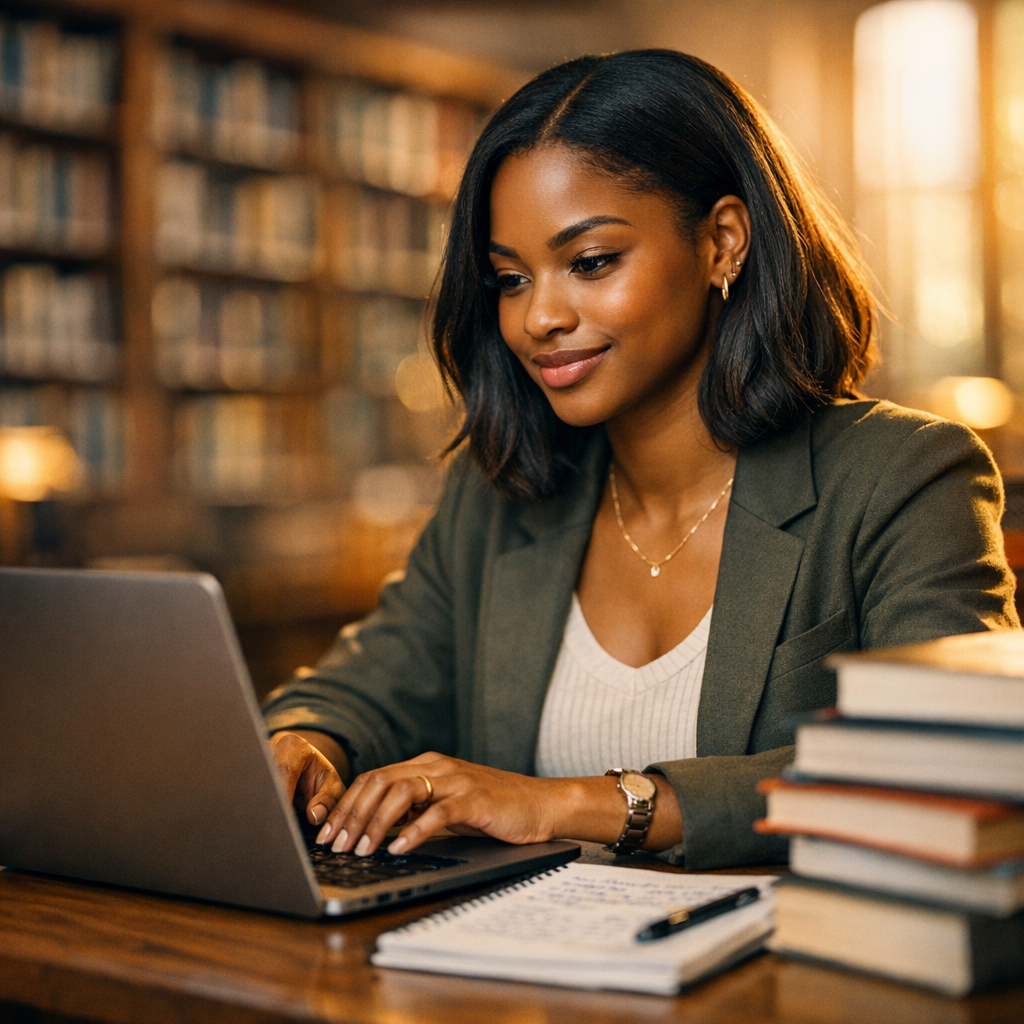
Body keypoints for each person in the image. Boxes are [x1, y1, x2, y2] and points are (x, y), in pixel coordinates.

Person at [263, 50, 1019, 870]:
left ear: (723, 241)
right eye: (509, 279)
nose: (540, 317)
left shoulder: (903, 476)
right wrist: (306, 743)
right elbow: (366, 684)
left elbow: (950, 763)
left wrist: (575, 802)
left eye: (590, 263)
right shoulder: (497, 493)